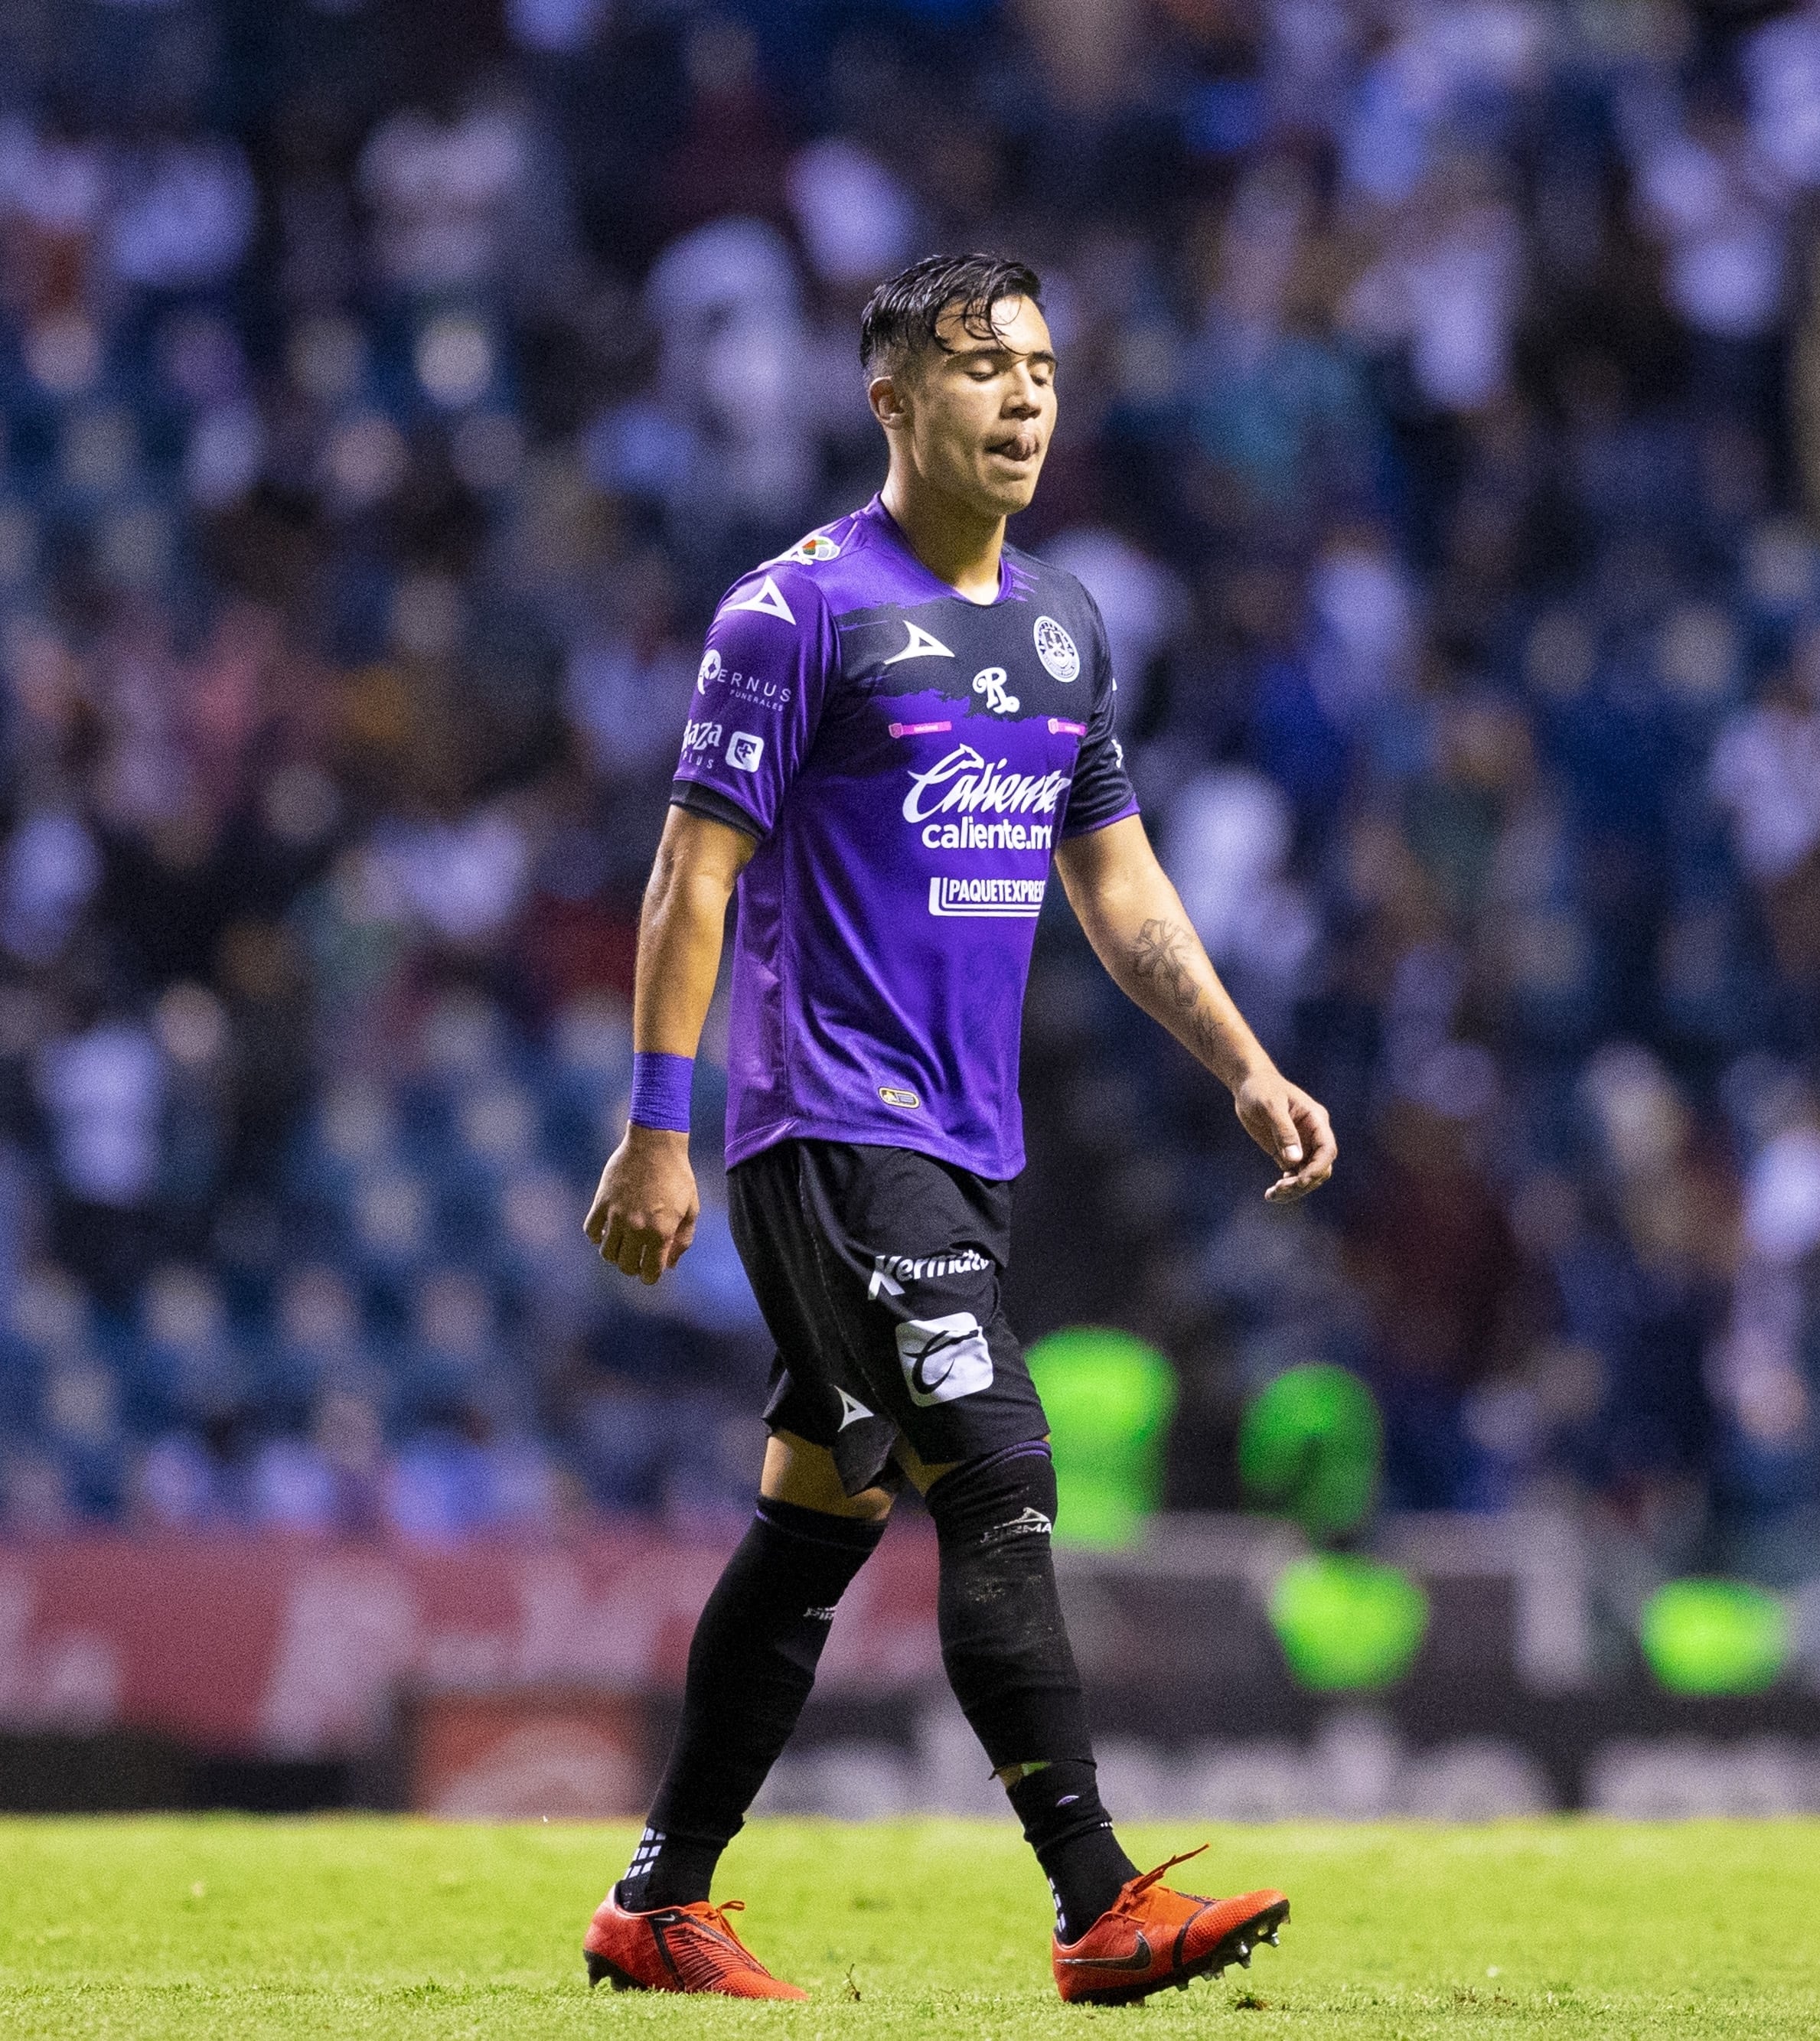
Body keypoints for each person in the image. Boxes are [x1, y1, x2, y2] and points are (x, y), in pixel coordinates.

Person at [576, 252, 1336, 2006]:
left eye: (1043, 370)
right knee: (997, 1471)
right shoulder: (793, 613)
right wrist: (656, 1125)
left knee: (818, 1517)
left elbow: (1118, 887)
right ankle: (1094, 1896)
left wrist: (1241, 1061)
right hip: (831, 1126)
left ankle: (657, 1898)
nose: (1022, 398)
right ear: (892, 397)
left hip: (966, 1145)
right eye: (984, 366)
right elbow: (692, 872)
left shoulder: (1063, 625)